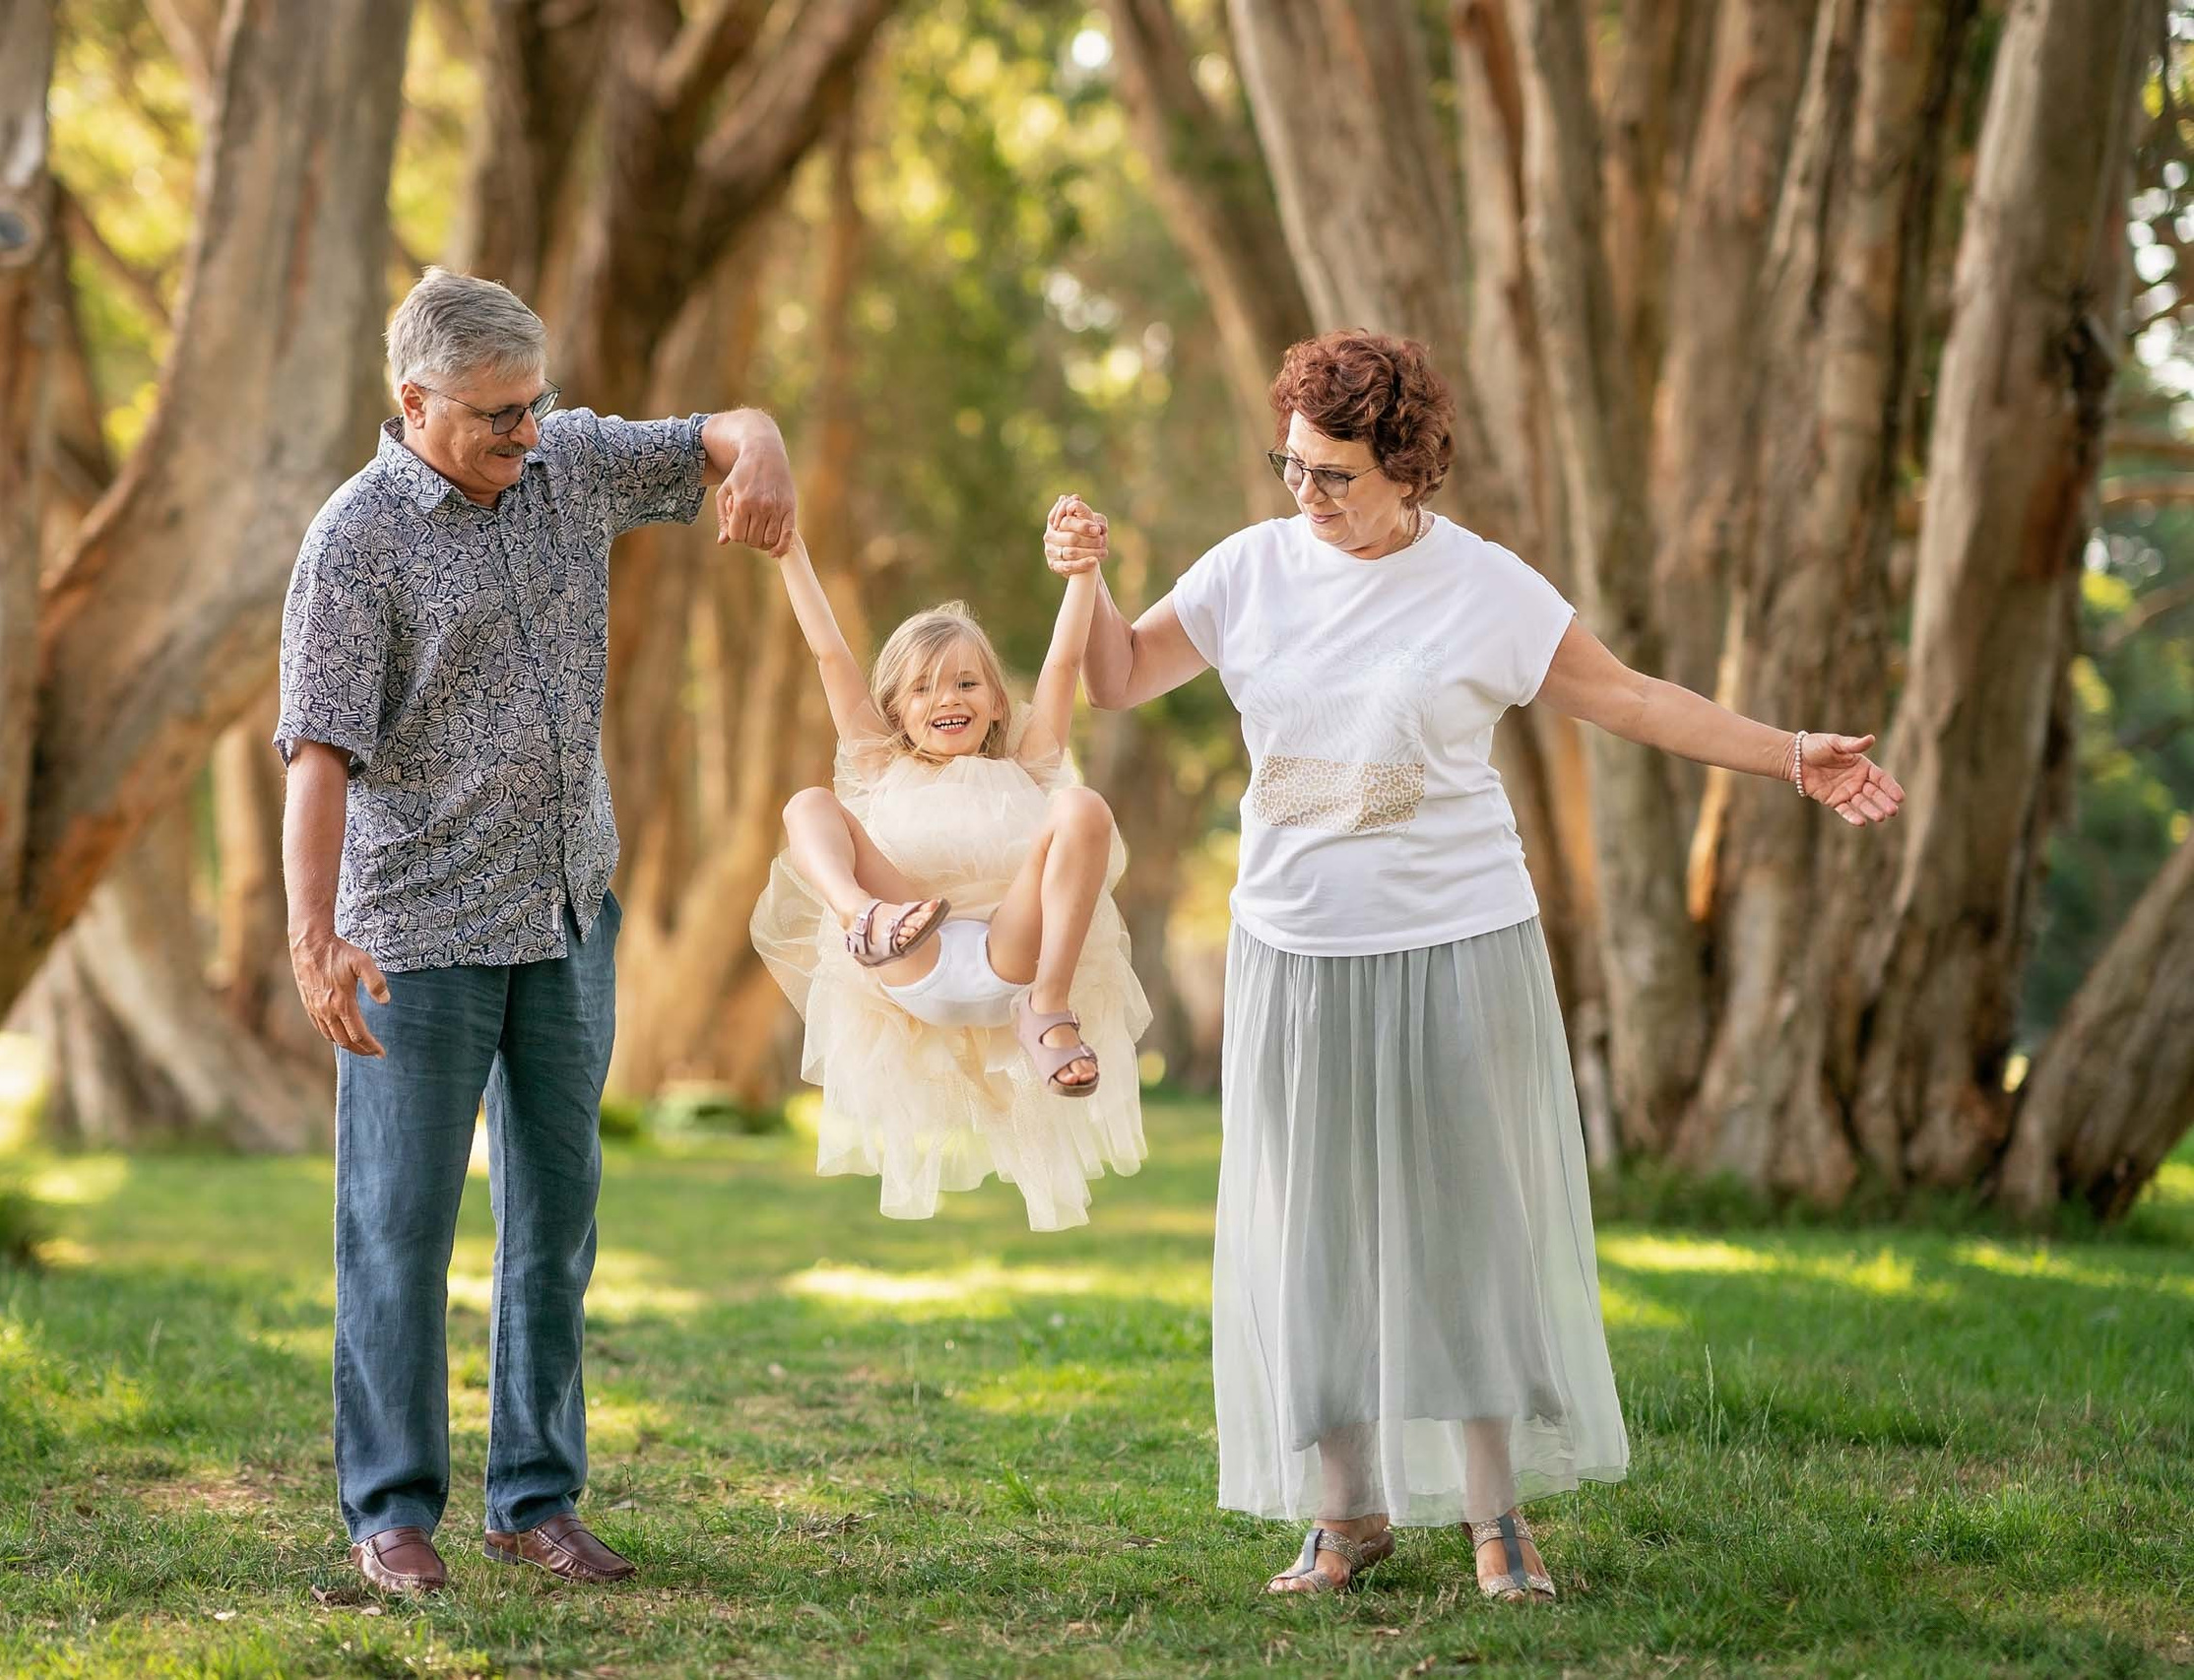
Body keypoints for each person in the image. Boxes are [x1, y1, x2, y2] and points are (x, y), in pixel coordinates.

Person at [1043, 329, 1904, 1601]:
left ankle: (1499, 1519)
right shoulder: (1249, 570)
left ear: (1409, 472)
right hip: (1295, 951)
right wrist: (1084, 576)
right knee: (1313, 1233)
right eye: (1290, 464)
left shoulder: (1484, 588)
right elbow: (1116, 677)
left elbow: (1635, 699)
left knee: (1467, 1228)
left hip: (1458, 942)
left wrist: (1789, 754)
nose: (1305, 493)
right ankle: (1345, 1517)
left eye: (1334, 474)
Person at [276, 268, 796, 1596]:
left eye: (535, 404)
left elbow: (715, 432)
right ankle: (392, 1511)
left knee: (553, 1223)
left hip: (566, 910)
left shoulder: (567, 463)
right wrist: (311, 936)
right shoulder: (357, 539)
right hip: (417, 930)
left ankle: (535, 1497)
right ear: (414, 402)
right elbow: (317, 753)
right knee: (398, 1228)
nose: (526, 433)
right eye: (498, 415)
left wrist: (765, 454)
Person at [747, 520, 1150, 1231]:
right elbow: (829, 652)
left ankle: (1049, 1013)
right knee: (809, 804)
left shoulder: (1025, 764)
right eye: (925, 688)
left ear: (997, 701)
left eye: (967, 682)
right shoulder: (878, 763)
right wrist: (793, 554)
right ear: (896, 710)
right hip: (911, 954)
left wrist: (1083, 575)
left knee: (1081, 807)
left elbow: (1061, 666)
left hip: (1013, 958)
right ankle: (859, 916)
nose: (948, 698)